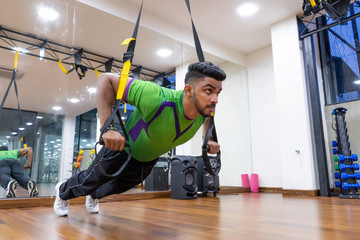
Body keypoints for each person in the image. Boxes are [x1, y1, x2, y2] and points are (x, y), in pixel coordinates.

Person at [53, 61, 226, 216]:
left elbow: (210, 115)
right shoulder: (156, 97)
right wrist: (108, 128)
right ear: (188, 90)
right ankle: (62, 191)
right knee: (89, 180)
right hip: (121, 150)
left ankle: (94, 195)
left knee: (117, 187)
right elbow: (106, 80)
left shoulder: (205, 109)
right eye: (208, 91)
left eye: (217, 93)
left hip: (147, 159)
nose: (215, 100)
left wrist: (208, 139)